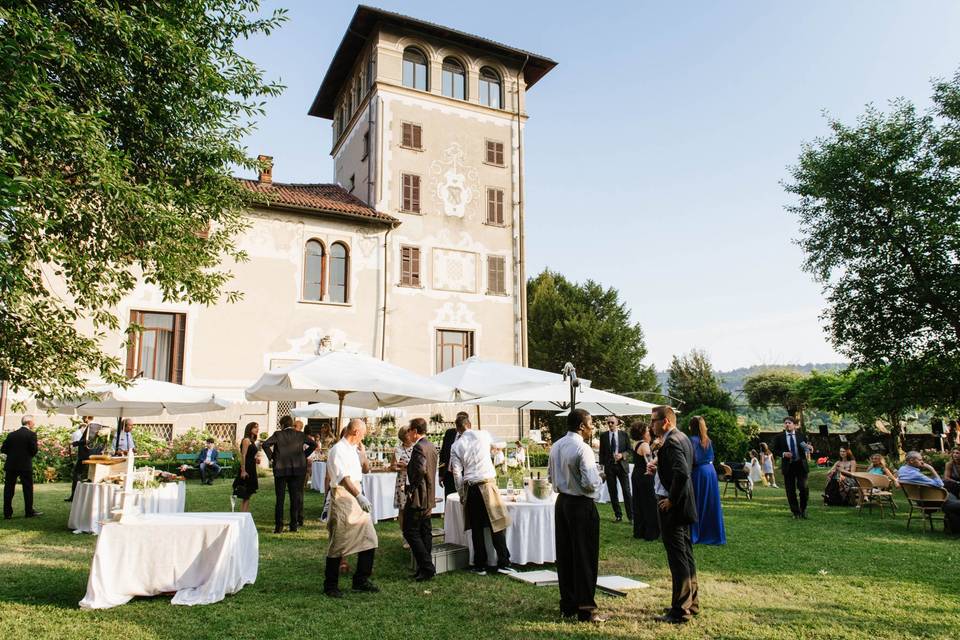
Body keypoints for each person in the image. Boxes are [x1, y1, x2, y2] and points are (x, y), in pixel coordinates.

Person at [548, 408, 604, 623]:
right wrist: (601, 478)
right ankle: (586, 608)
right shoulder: (583, 448)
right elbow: (590, 482)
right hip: (581, 504)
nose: (592, 428)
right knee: (585, 555)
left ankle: (568, 604)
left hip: (562, 503)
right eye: (590, 424)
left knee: (565, 554)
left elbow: (551, 476)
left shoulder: (556, 446)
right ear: (581, 426)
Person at [647, 405, 699, 624]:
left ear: (665, 422)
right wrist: (659, 469)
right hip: (683, 504)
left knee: (677, 557)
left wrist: (671, 499)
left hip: (674, 506)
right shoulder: (683, 438)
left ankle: (680, 610)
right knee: (685, 554)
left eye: (653, 421)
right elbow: (686, 466)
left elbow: (682, 472)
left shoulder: (672, 441)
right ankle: (690, 603)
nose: (651, 425)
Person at [450, 412, 514, 575]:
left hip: (471, 487)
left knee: (477, 528)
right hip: (487, 484)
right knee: (497, 525)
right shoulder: (483, 435)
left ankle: (480, 565)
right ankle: (503, 562)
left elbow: (457, 473)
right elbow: (502, 443)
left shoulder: (456, 446)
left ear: (458, 429)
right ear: (469, 424)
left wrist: (461, 493)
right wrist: (495, 449)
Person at [324, 418, 379, 597]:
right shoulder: (338, 449)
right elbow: (344, 478)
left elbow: (364, 470)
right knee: (338, 542)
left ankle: (361, 580)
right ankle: (330, 585)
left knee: (369, 539)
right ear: (355, 432)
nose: (364, 437)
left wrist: (363, 456)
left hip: (356, 496)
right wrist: (359, 496)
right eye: (363, 434)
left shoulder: (354, 450)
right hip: (343, 498)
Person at [262, 415, 316, 533]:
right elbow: (314, 445)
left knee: (280, 498)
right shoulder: (300, 434)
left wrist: (272, 457)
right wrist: (303, 455)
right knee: (295, 497)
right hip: (297, 469)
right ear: (291, 424)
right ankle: (293, 525)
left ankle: (279, 527)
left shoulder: (278, 434)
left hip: (281, 469)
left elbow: (265, 444)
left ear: (282, 425)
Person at [403, 418, 438, 581]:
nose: (408, 433)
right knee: (425, 531)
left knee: (410, 531)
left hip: (419, 496)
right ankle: (424, 568)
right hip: (429, 495)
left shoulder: (418, 447)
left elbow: (421, 469)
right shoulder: (430, 445)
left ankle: (427, 566)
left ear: (415, 431)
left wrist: (411, 488)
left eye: (409, 430)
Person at [897, 451, 960, 533]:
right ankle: (953, 528)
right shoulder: (916, 475)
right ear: (911, 460)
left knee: (952, 504)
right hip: (933, 500)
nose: (922, 462)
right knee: (952, 504)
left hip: (920, 498)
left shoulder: (902, 469)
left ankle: (953, 528)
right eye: (920, 460)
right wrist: (931, 468)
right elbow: (940, 484)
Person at [687, 416, 726, 545]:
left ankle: (698, 533)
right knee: (710, 502)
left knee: (698, 502)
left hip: (699, 472)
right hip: (710, 471)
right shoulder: (707, 440)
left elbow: (692, 460)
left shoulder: (692, 440)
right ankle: (713, 533)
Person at [771, 417, 811, 519]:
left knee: (803, 488)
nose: (787, 424)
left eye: (789, 423)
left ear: (794, 424)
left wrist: (810, 448)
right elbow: (774, 450)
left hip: (800, 465)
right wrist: (783, 454)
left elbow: (805, 448)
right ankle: (795, 512)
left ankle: (803, 509)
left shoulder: (801, 436)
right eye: (785, 423)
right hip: (788, 466)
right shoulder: (779, 437)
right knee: (790, 490)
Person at [2, 416, 41, 520]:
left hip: (11, 465)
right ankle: (29, 511)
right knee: (27, 489)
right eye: (33, 422)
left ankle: (7, 513)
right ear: (28, 422)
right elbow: (34, 450)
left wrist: (13, 454)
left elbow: (3, 448)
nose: (34, 424)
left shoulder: (11, 434)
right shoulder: (31, 434)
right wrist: (26, 456)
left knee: (8, 489)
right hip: (25, 465)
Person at [599, 416, 633, 523]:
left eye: (612, 422)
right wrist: (602, 468)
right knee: (612, 492)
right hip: (609, 468)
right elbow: (601, 453)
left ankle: (631, 517)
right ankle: (618, 515)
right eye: (608, 422)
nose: (610, 424)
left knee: (626, 492)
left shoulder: (624, 434)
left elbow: (630, 450)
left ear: (617, 423)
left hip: (622, 466)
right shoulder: (603, 436)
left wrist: (622, 455)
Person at [629, 421, 659, 541]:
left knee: (639, 503)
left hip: (636, 474)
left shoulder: (637, 443)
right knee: (649, 503)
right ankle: (650, 533)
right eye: (647, 430)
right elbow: (649, 462)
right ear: (643, 433)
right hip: (645, 476)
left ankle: (639, 531)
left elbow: (643, 454)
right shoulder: (645, 445)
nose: (649, 432)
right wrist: (660, 454)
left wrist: (652, 447)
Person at [66, 416, 103, 502]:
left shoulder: (92, 426)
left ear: (86, 417)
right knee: (90, 475)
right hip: (95, 453)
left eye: (83, 417)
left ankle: (74, 496)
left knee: (76, 474)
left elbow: (87, 441)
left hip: (85, 454)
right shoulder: (99, 426)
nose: (82, 419)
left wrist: (74, 443)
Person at [391, 424, 414, 548]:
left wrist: (407, 466)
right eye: (408, 433)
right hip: (402, 480)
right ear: (404, 436)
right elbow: (392, 466)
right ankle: (405, 536)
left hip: (414, 481)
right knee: (403, 509)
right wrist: (398, 467)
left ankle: (414, 534)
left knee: (414, 508)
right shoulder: (398, 450)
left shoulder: (417, 448)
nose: (411, 435)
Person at [438, 412, 466, 497]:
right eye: (457, 421)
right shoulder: (449, 433)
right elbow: (443, 454)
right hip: (449, 475)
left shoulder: (470, 437)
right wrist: (441, 474)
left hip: (464, 475)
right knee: (449, 501)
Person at [235, 422, 261, 512]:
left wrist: (256, 459)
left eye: (257, 428)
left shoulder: (252, 441)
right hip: (247, 469)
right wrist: (243, 470)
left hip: (251, 467)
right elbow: (243, 455)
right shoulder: (246, 440)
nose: (257, 429)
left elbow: (250, 455)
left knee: (248, 494)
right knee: (245, 493)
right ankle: (243, 514)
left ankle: (245, 513)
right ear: (249, 429)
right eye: (255, 428)